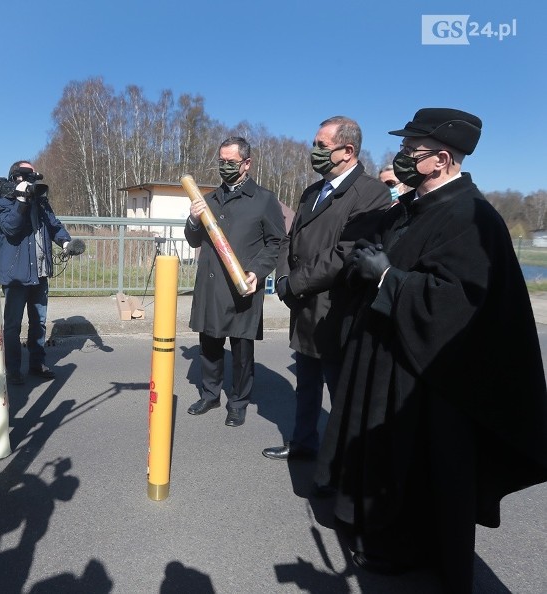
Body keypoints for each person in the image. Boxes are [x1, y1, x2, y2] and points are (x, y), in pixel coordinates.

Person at [315, 108, 547, 592]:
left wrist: (385, 276)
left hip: (423, 376)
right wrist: (368, 263)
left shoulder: (472, 215)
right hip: (386, 355)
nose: (400, 157)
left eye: (410, 151)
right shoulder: (413, 206)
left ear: (441, 159)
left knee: (412, 463)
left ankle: (404, 550)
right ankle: (368, 526)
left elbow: (455, 299)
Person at [262, 117, 390, 460]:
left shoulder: (371, 193)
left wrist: (296, 282)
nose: (314, 151)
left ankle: (342, 463)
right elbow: (291, 240)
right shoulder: (312, 191)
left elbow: (345, 253)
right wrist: (283, 278)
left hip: (336, 310)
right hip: (304, 308)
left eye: (321, 146)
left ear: (347, 151)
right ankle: (303, 443)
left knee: (341, 392)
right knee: (306, 386)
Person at [185, 137, 285, 427]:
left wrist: (257, 271)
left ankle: (238, 402)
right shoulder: (210, 199)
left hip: (243, 285)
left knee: (241, 350)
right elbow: (194, 240)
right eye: (221, 161)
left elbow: (276, 242)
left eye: (231, 162)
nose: (224, 167)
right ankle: (210, 394)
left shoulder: (264, 199)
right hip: (211, 285)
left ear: (246, 163)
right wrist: (192, 220)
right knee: (210, 344)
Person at [0, 161, 71, 385]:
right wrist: (21, 202)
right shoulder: (3, 205)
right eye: (24, 177)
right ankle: (13, 369)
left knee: (38, 321)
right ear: (14, 179)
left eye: (32, 178)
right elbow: (11, 228)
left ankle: (37, 363)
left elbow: (54, 226)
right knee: (12, 324)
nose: (30, 182)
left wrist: (66, 242)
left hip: (40, 273)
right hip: (16, 275)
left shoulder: (41, 202)